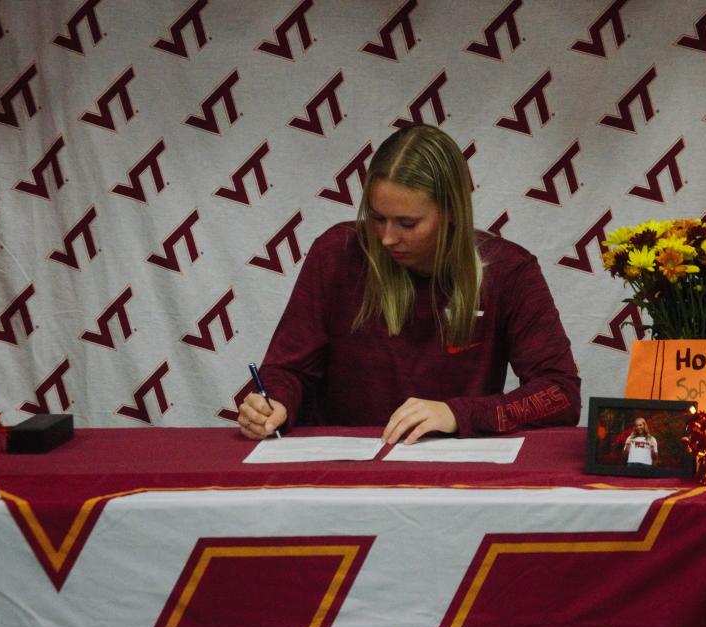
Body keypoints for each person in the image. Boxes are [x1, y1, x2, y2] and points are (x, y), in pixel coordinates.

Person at [238, 124, 581, 444]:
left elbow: (560, 394)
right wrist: (274, 402)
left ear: (451, 211)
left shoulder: (509, 271)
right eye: (376, 218)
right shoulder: (335, 254)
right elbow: (288, 369)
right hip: (343, 471)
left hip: (454, 477)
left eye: (407, 223)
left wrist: (457, 413)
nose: (387, 238)